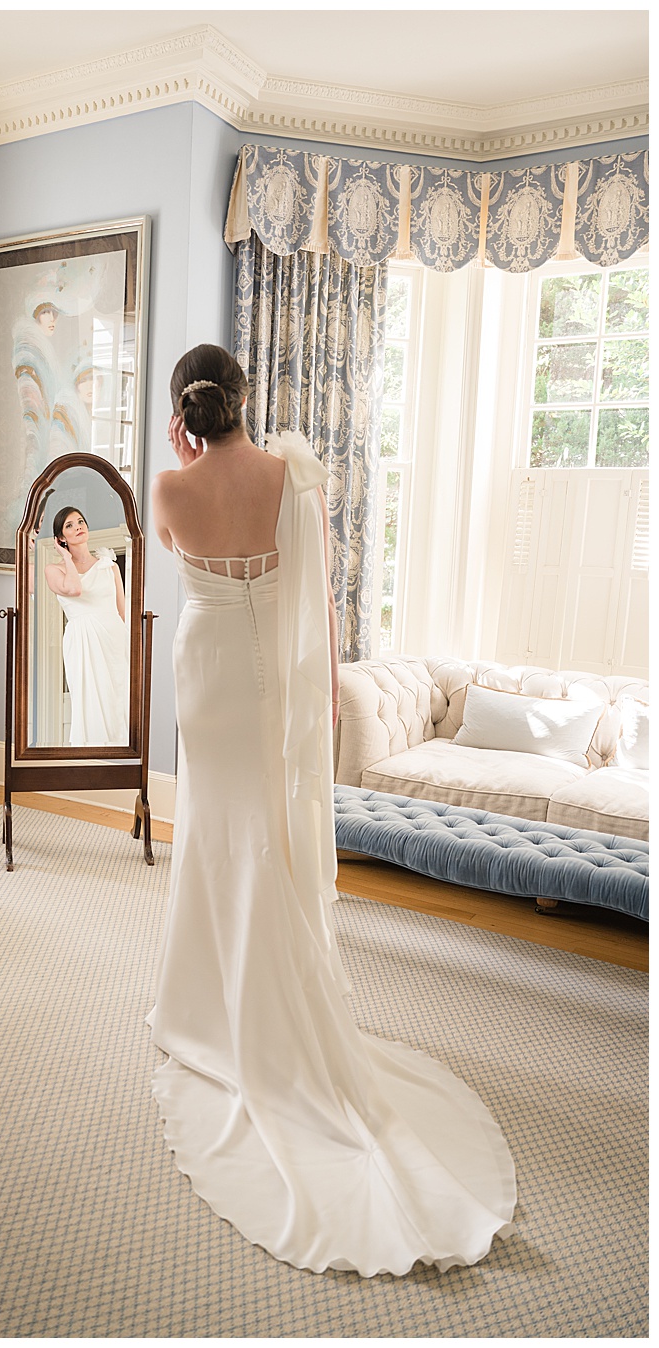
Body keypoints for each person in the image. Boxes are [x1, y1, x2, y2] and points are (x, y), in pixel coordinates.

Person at [146, 344, 515, 1275]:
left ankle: (209, 1013)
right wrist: (320, 699)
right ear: (243, 402)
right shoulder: (289, 476)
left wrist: (182, 458)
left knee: (214, 833)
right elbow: (320, 606)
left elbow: (171, 550)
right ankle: (258, 999)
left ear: (185, 415)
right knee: (261, 834)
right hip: (268, 677)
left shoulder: (168, 487)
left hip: (204, 671)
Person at [43, 506, 128, 744]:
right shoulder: (54, 570)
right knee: (89, 699)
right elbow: (74, 589)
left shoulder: (109, 566)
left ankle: (120, 757)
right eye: (69, 525)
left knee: (117, 698)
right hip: (82, 641)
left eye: (80, 521)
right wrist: (67, 558)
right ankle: (91, 760)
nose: (78, 527)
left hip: (113, 639)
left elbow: (122, 612)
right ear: (60, 538)